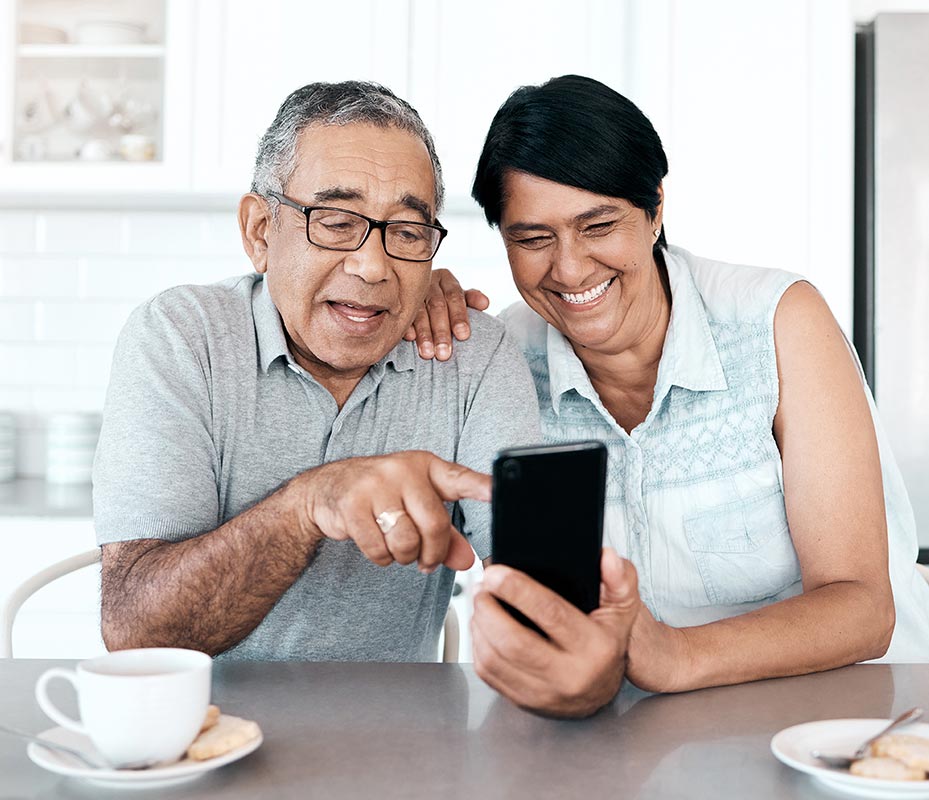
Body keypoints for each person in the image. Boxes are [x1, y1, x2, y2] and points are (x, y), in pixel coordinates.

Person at [410, 74, 929, 716]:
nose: (569, 269)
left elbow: (863, 607)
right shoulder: (500, 363)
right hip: (630, 736)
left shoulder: (777, 322)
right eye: (533, 239)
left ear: (656, 208)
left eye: (598, 225)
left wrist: (672, 655)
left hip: (844, 724)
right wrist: (411, 296)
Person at [92, 81, 545, 662]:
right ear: (260, 231)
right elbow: (135, 631)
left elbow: (538, 575)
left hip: (395, 740)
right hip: (201, 738)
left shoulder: (469, 351)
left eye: (406, 233)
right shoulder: (183, 337)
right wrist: (309, 504)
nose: (373, 266)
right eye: (335, 221)